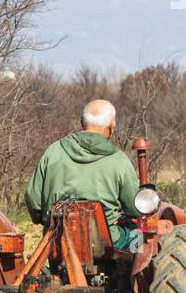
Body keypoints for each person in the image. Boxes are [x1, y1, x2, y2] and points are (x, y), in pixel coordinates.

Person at [24, 99, 142, 251]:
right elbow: (134, 208)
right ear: (112, 125)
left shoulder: (53, 151)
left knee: (50, 235)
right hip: (105, 244)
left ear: (82, 122)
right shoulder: (119, 159)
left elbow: (32, 199)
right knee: (140, 237)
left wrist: (45, 220)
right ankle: (131, 274)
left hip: (59, 241)